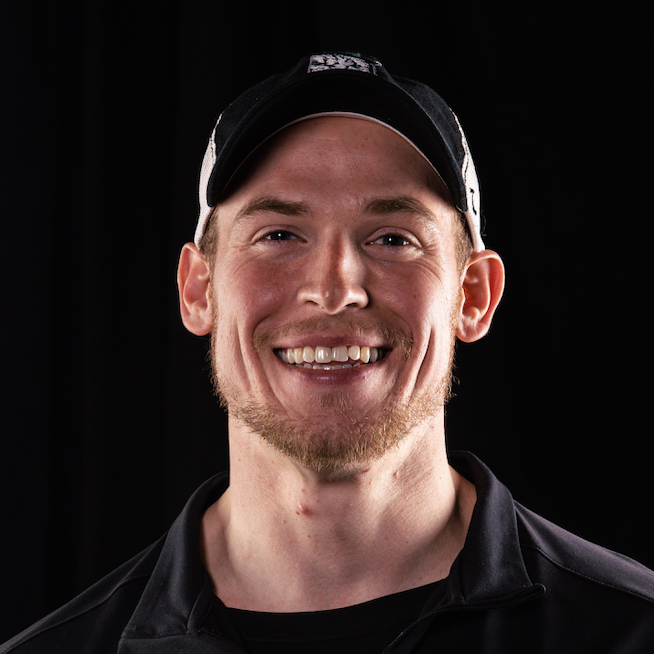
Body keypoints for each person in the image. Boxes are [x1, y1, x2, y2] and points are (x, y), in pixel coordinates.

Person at [2, 52, 653, 654]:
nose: (336, 289)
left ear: (473, 296)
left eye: (392, 239)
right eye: (279, 235)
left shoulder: (628, 630)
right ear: (199, 290)